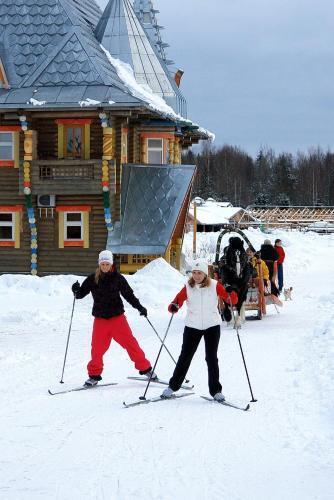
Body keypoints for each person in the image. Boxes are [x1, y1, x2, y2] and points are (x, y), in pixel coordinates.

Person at [71, 250, 156, 387]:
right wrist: (75, 289)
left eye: (107, 264)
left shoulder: (118, 278)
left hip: (118, 319)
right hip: (100, 320)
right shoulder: (93, 278)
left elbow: (129, 295)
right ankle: (94, 376)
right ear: (99, 264)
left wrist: (139, 307)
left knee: (131, 343)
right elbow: (80, 295)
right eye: (103, 264)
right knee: (97, 349)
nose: (105, 266)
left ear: (111, 264)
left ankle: (146, 369)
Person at [160, 259, 238, 401]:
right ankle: (173, 386)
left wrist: (231, 292)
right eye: (194, 273)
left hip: (211, 326)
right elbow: (177, 301)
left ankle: (216, 391)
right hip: (192, 326)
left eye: (199, 273)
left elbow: (231, 300)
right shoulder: (188, 287)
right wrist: (174, 306)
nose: (196, 276)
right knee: (185, 357)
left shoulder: (215, 285)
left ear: (205, 274)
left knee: (211, 358)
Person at [219, 236, 253, 326]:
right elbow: (222, 269)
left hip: (241, 281)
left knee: (243, 288)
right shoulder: (226, 256)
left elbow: (247, 267)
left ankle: (238, 314)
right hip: (231, 281)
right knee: (227, 289)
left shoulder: (243, 255)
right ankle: (228, 310)